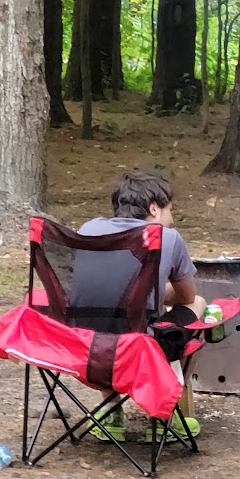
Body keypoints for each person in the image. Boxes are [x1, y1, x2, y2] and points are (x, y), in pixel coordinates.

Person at [73, 171, 204, 432]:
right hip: (139, 344)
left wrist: (150, 289)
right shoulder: (167, 237)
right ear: (154, 208)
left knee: (108, 317)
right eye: (170, 211)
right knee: (198, 304)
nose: (172, 219)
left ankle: (110, 413)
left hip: (85, 343)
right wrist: (162, 290)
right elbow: (186, 297)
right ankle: (164, 415)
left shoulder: (88, 229)